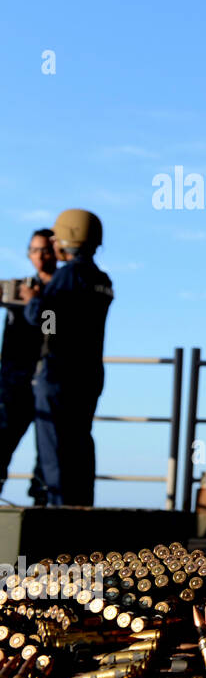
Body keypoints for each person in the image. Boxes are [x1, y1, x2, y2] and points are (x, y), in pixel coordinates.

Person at [20, 209, 113, 506]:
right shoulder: (101, 278)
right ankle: (81, 516)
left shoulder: (67, 276)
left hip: (59, 374)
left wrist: (33, 302)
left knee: (56, 454)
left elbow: (49, 321)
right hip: (88, 374)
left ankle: (59, 529)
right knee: (80, 448)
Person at [0, 229, 56, 504]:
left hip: (47, 380)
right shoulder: (20, 285)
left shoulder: (59, 290)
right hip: (12, 381)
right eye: (34, 250)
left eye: (45, 250)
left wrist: (34, 301)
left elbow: (51, 328)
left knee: (46, 455)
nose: (40, 256)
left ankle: (40, 508)